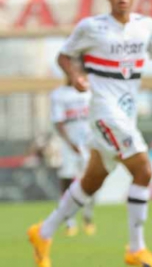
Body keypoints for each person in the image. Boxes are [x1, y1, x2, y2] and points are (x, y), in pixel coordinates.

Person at [27, 0, 152, 267]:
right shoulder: (92, 28)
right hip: (104, 112)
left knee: (91, 182)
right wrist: (75, 76)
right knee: (143, 170)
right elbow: (64, 56)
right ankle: (136, 248)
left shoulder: (145, 27)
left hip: (127, 112)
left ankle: (43, 233)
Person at [50, 79, 96, 237]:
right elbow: (58, 122)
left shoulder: (91, 91)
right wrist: (70, 143)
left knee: (92, 182)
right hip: (68, 147)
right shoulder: (59, 94)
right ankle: (69, 222)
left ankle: (88, 217)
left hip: (89, 145)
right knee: (67, 183)